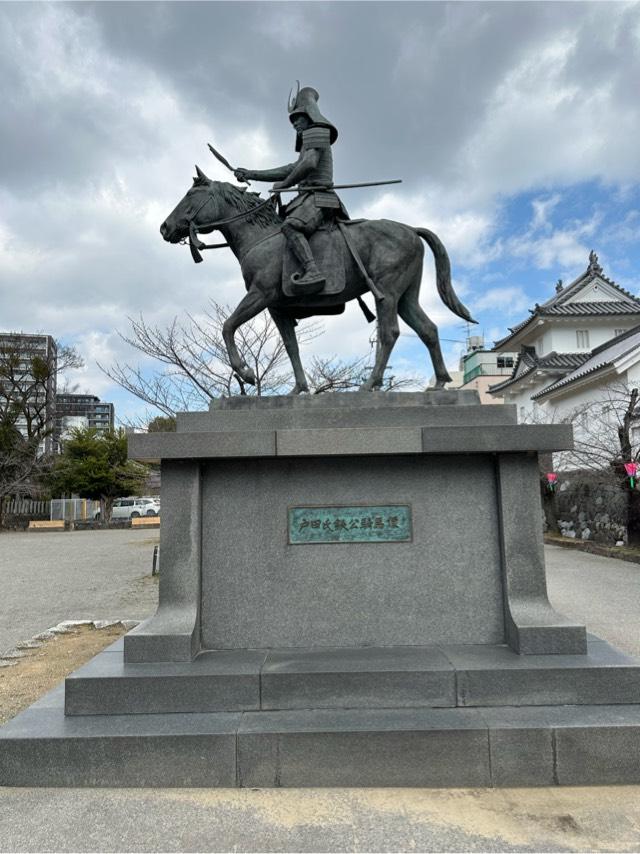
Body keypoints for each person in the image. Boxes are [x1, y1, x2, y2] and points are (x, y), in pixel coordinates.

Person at [235, 86, 345, 295]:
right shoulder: (307, 142)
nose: (295, 123)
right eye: (292, 120)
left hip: (319, 198)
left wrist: (285, 184)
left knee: (291, 227)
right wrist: (251, 174)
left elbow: (309, 164)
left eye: (298, 118)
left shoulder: (317, 132)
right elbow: (292, 168)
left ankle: (312, 271)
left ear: (309, 116)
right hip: (307, 198)